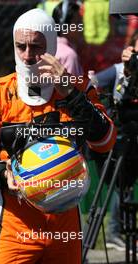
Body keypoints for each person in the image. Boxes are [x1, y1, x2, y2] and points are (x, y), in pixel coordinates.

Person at [0, 8, 116, 264]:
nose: (27, 56)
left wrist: (69, 92)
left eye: (36, 47)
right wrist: (3, 175)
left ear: (53, 46)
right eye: (20, 46)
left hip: (66, 225)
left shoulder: (78, 88)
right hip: (15, 226)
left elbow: (105, 141)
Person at [86, 29, 138, 252]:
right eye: (136, 50)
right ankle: (111, 233)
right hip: (121, 136)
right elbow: (92, 81)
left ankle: (121, 233)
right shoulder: (119, 71)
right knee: (120, 188)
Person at [52, 1, 83, 77]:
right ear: (64, 26)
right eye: (78, 22)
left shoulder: (48, 46)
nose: (81, 27)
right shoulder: (69, 55)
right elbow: (72, 87)